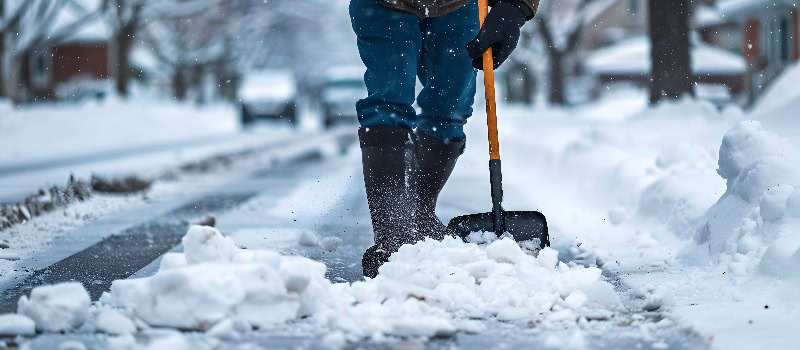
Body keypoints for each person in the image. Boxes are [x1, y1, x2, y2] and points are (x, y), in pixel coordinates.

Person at [350, 0, 539, 278]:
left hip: (457, 6)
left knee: (450, 110)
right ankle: (393, 234)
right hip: (383, 5)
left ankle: (419, 212)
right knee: (387, 105)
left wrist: (515, 6)